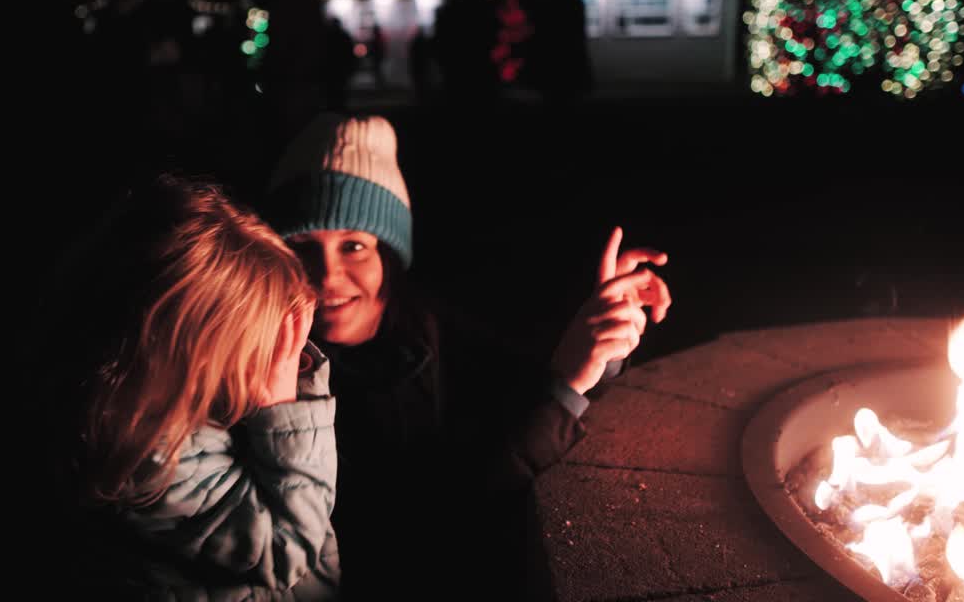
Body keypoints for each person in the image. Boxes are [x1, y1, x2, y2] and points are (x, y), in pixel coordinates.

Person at [262, 114, 671, 598]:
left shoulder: (432, 331)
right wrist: (563, 390)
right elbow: (429, 526)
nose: (328, 275)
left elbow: (522, 389)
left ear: (390, 254)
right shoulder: (275, 380)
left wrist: (604, 336)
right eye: (304, 247)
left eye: (353, 245)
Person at [49, 174, 342, 599]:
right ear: (193, 351)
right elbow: (286, 551)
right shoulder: (148, 457)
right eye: (255, 345)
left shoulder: (183, 417)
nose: (278, 359)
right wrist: (284, 406)